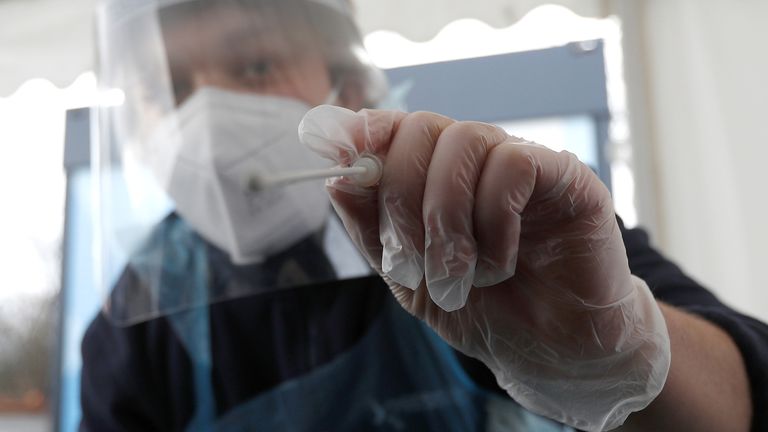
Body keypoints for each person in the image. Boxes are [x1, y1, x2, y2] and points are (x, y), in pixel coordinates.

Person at [81, 0, 767, 431]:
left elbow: (747, 394)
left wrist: (626, 354)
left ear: (346, 85)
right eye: (165, 88)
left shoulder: (489, 220)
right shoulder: (131, 332)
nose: (203, 119)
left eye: (256, 63)